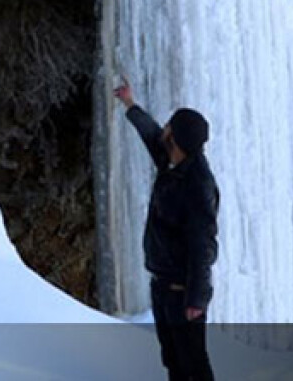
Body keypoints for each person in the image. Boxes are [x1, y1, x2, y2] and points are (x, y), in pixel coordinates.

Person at [114, 80, 219, 381]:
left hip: (182, 292)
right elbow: (152, 136)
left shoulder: (197, 185)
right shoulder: (175, 161)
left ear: (177, 140)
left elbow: (203, 246)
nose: (165, 129)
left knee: (193, 367)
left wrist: (197, 300)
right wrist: (130, 105)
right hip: (163, 286)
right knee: (173, 360)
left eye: (170, 127)